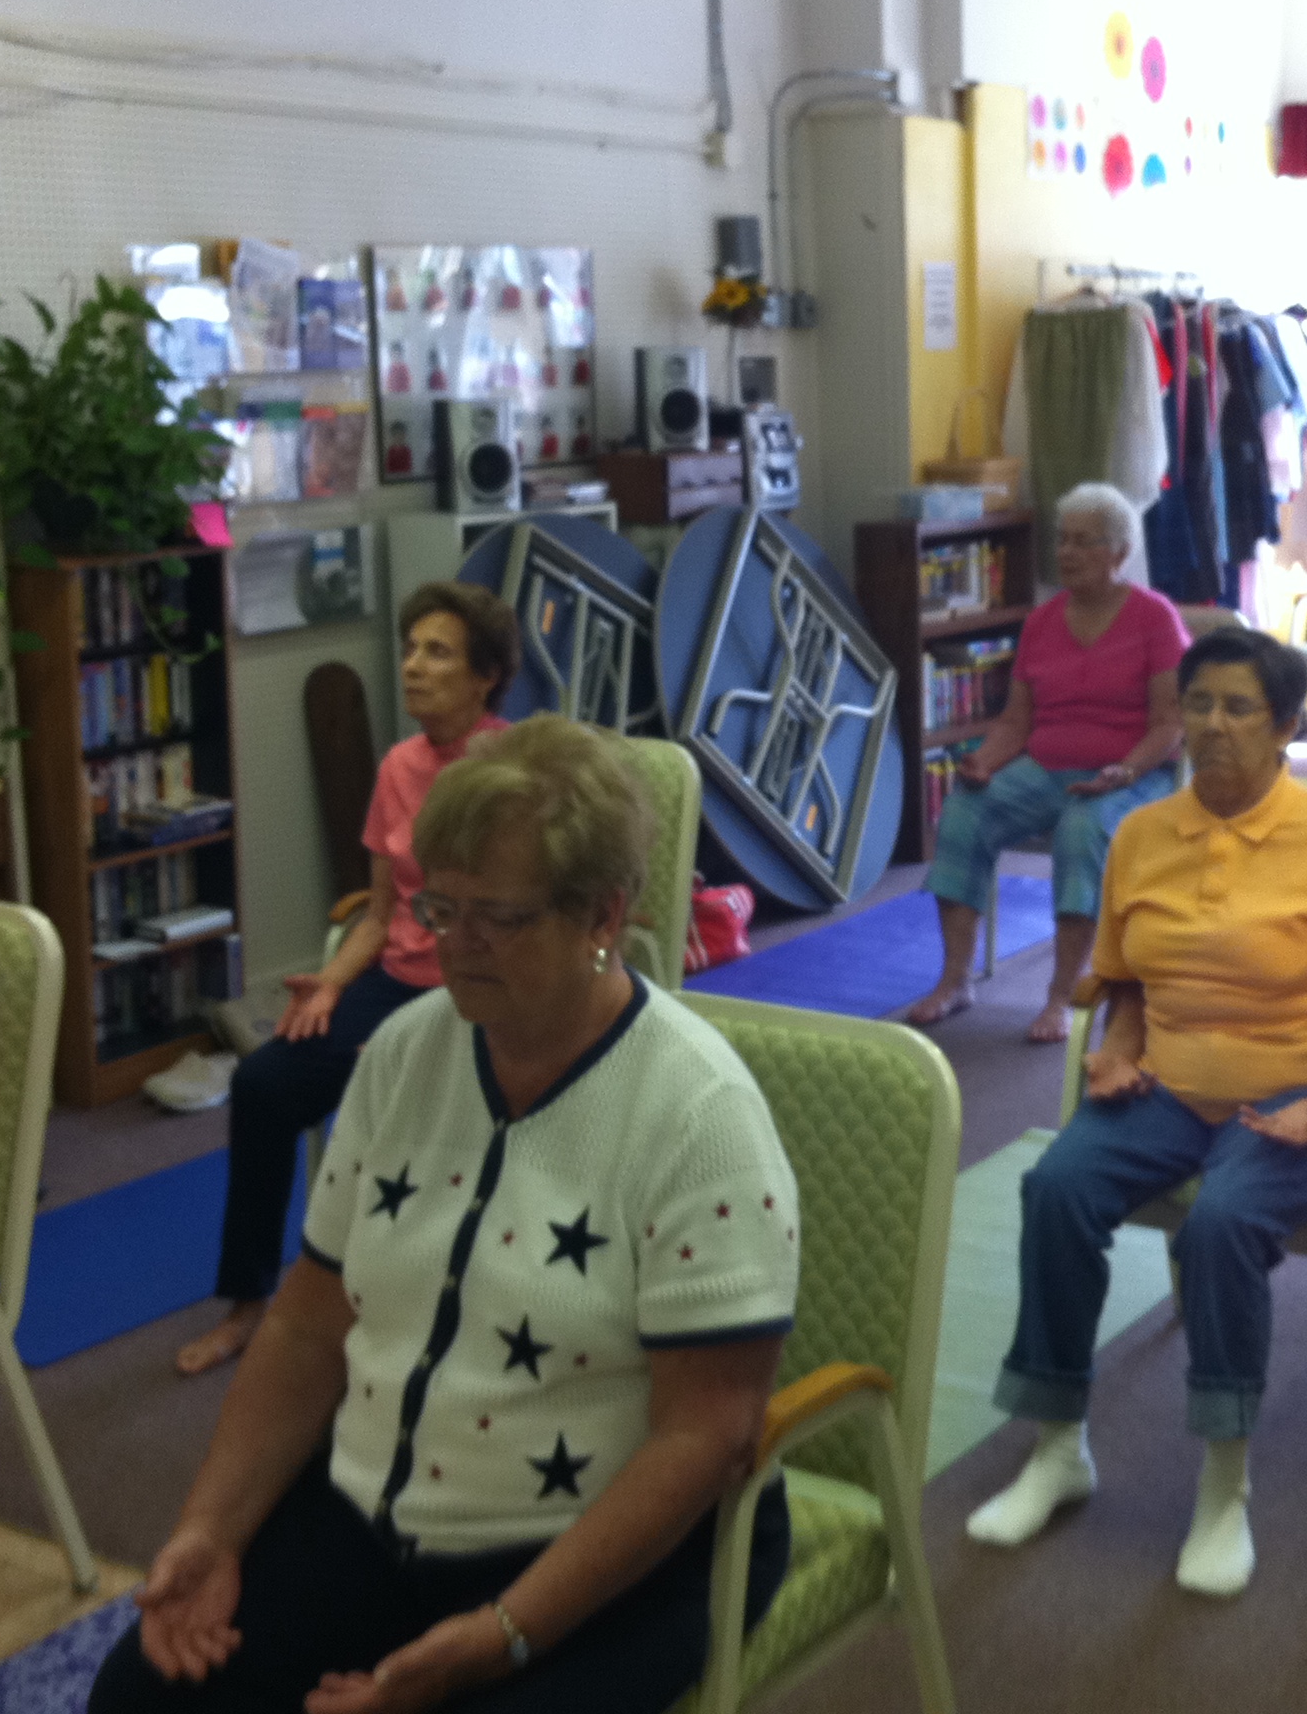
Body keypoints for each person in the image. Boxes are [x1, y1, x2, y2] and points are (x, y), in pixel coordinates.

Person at [93, 716, 800, 1714]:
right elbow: (306, 1325)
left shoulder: (698, 1114)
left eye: (497, 918)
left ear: (602, 914)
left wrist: (505, 1635)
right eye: (439, 907)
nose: (450, 946)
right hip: (380, 1510)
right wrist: (212, 1527)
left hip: (609, 1547)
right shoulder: (405, 1052)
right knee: (142, 1698)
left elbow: (709, 1434)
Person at [964, 627, 1307, 1597]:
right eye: (1198, 705)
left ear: (1286, 726)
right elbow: (1125, 982)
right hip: (1168, 1082)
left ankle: (1224, 1485)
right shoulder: (1142, 834)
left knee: (1222, 1220)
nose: (1213, 725)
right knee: (1056, 1188)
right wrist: (1117, 1054)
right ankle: (1058, 1445)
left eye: (1239, 708)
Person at [178, 582, 520, 1375]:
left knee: (407, 1101)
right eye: (410, 649)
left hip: (481, 991)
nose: (413, 666)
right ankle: (248, 1303)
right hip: (395, 983)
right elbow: (378, 912)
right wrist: (330, 984)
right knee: (264, 1085)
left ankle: (422, 1306)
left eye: (438, 653)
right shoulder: (398, 766)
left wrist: (410, 1040)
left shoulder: (512, 769)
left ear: (486, 678)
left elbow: (515, 914)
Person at [901, 482, 1187, 1045]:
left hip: (1134, 774)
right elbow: (1016, 722)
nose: (1067, 553)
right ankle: (955, 980)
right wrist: (984, 762)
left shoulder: (1154, 618)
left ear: (1119, 552)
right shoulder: (1041, 622)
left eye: (1083, 542)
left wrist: (1124, 771)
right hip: (1046, 766)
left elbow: (1169, 723)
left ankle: (1062, 994)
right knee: (964, 813)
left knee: (1081, 831)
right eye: (1062, 540)